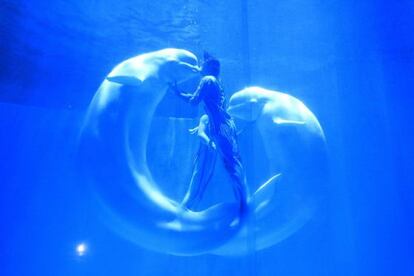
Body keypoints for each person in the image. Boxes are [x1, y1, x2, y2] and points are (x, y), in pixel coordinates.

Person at [170, 52, 248, 213]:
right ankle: (244, 203)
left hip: (219, 126)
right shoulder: (219, 83)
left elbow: (194, 101)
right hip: (228, 125)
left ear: (208, 66)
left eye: (202, 64)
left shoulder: (207, 80)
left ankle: (243, 207)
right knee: (233, 163)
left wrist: (178, 93)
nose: (199, 66)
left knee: (227, 166)